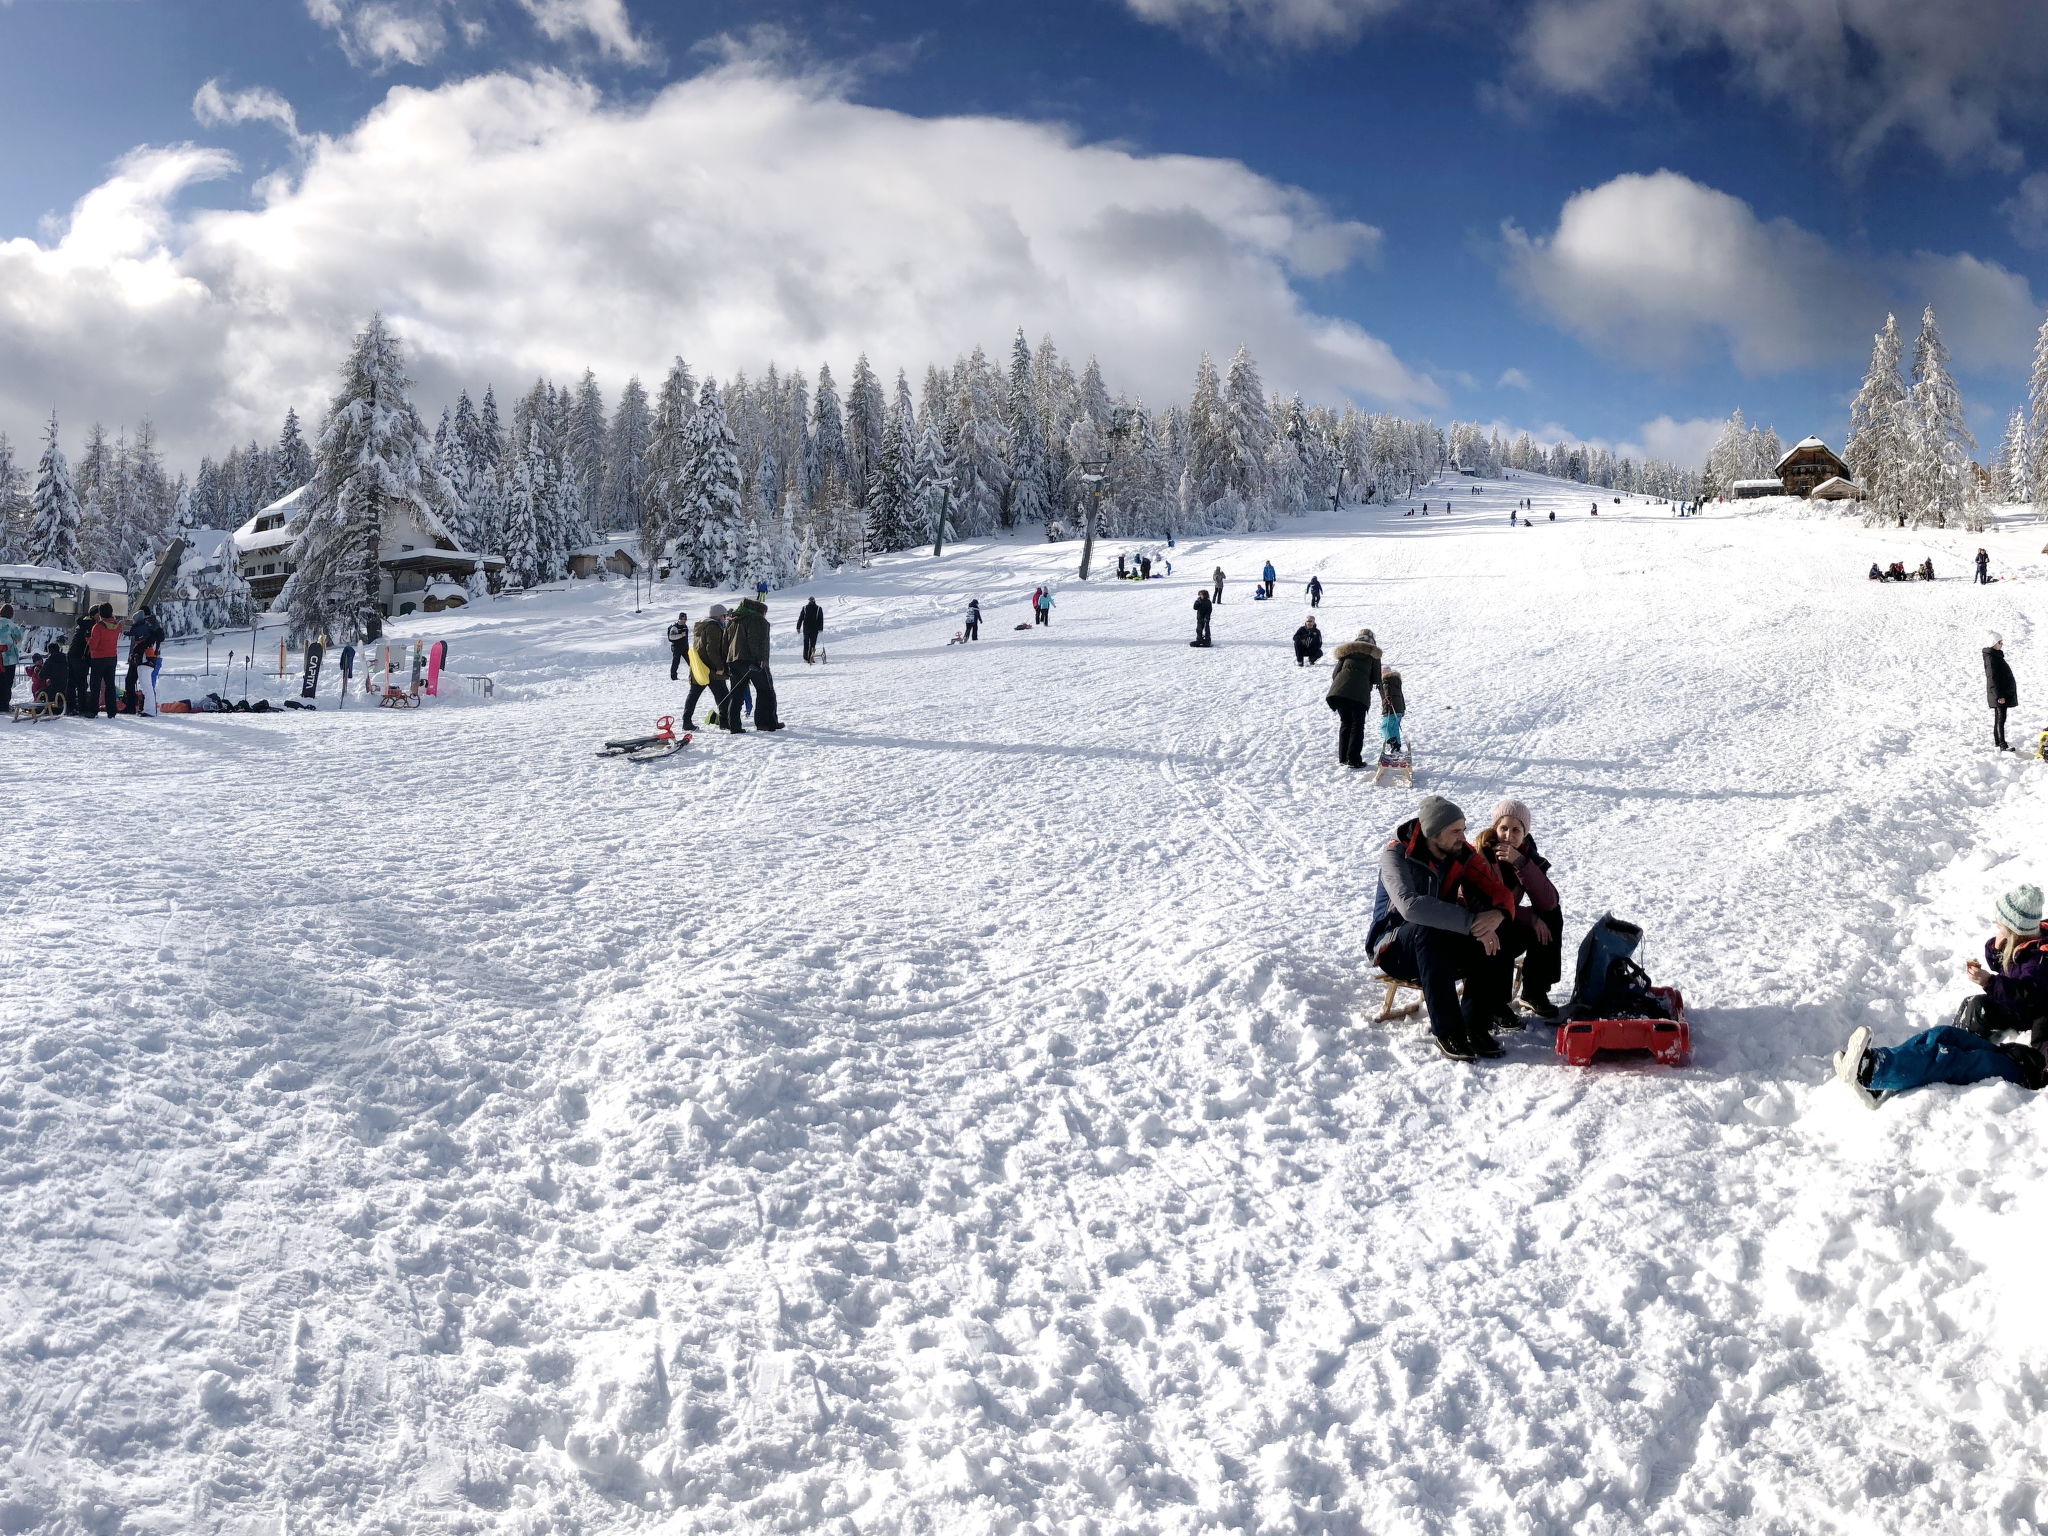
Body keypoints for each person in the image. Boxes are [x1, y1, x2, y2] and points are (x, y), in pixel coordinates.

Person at [1834, 886, 2048, 1106]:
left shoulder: (2040, 967)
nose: (1997, 929)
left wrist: (1990, 982)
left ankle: (1873, 1071)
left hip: (2026, 1069)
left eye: (2002, 927)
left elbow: (2028, 996)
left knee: (1949, 1058)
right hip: (2017, 1056)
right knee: (1943, 1034)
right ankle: (1879, 1078)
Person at [1368, 796, 1524, 1060]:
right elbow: (1410, 906)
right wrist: (1471, 921)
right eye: (1455, 831)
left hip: (1437, 950)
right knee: (1426, 927)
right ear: (1434, 833)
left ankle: (1475, 1024)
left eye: (1463, 829)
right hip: (1394, 948)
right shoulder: (1396, 854)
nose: (1462, 837)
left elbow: (1501, 894)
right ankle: (1448, 1031)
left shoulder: (1461, 853)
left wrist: (1495, 916)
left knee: (1495, 930)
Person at [1473, 799, 1562, 1018]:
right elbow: (1489, 905)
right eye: (1503, 828)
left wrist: (1521, 863)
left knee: (1551, 915)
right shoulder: (1483, 853)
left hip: (1506, 922)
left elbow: (1549, 901)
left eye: (1516, 830)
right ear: (1495, 829)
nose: (1508, 836)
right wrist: (1529, 917)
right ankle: (1497, 1002)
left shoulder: (1526, 854)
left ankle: (1535, 991)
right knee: (1510, 922)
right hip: (1482, 928)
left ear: (1524, 833)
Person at [723, 596, 781, 732]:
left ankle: (734, 726)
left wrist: (728, 660)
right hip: (752, 661)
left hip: (733, 661)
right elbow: (755, 640)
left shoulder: (733, 620)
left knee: (736, 693)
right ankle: (764, 723)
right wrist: (760, 659)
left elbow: (725, 642)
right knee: (765, 691)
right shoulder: (757, 619)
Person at [1326, 628, 1380, 766]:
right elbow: (1376, 678)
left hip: (1339, 691)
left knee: (1346, 723)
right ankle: (1354, 760)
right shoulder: (1373, 654)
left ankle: (1343, 758)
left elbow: (1335, 674)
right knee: (1357, 725)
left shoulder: (1347, 651)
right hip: (1359, 694)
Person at [682, 606, 731, 730]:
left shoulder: (701, 625)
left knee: (693, 695)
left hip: (699, 667)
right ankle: (725, 722)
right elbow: (712, 649)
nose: (725, 618)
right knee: (723, 696)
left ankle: (686, 722)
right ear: (719, 616)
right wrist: (719, 667)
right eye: (724, 616)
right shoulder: (713, 627)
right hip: (711, 669)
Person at [124, 605, 164, 715]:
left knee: (139, 682)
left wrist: (142, 647)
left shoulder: (146, 626)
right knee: (147, 684)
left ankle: (139, 707)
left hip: (144, 657)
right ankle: (145, 707)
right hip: (149, 657)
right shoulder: (154, 624)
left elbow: (151, 639)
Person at [87, 603, 123, 718]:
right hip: (112, 657)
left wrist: (87, 637)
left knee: (95, 685)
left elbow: (93, 645)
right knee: (110, 685)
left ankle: (93, 711)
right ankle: (111, 711)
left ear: (101, 613)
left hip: (98, 659)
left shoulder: (98, 627)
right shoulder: (117, 626)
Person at [1986, 632, 2018, 751]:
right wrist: (1999, 695)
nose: (2002, 644)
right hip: (1999, 694)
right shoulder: (1991, 658)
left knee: (1999, 718)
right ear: (1994, 643)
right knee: (2001, 718)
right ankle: (2002, 745)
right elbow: (1993, 678)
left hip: (2000, 693)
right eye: (2000, 642)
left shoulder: (1995, 656)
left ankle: (1998, 742)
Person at [1378, 669, 1406, 754]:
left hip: (1390, 707)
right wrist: (1403, 708)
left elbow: (1386, 691)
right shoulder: (1397, 682)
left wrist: (1388, 698)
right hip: (1399, 709)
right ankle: (1397, 746)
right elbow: (1401, 696)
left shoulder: (1386, 680)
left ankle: (1392, 741)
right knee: (1394, 728)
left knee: (1384, 727)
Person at [0, 602, 21, 714]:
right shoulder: (11, 625)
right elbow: (18, 638)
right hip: (9, 658)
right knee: (7, 682)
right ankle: (4, 705)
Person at [797, 596, 825, 663]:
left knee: (812, 644)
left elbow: (821, 619)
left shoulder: (818, 608)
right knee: (806, 643)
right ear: (808, 601)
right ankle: (806, 658)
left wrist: (820, 628)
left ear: (814, 601)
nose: (811, 601)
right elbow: (801, 618)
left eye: (812, 600)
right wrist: (798, 627)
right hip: (806, 628)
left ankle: (810, 657)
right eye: (810, 600)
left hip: (814, 629)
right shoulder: (804, 608)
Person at [665, 611, 691, 680]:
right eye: (683, 619)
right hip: (677, 647)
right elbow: (671, 637)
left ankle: (693, 675)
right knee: (676, 662)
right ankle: (673, 676)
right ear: (679, 619)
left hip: (685, 647)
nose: (684, 620)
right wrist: (680, 635)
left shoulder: (685, 626)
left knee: (691, 661)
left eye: (685, 619)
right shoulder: (675, 627)